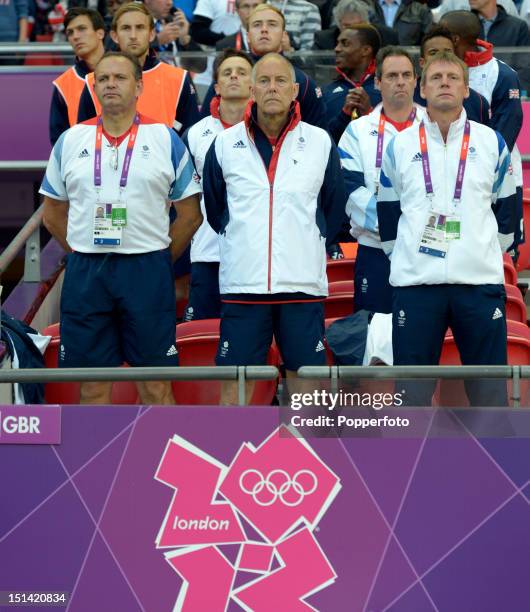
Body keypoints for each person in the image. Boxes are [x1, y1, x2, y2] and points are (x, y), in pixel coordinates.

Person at [40, 51, 202, 405]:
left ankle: (167, 459)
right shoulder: (70, 140)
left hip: (147, 270)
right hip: (87, 273)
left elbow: (191, 214)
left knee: (156, 384)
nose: (110, 84)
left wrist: (159, 258)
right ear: (94, 86)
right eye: (103, 78)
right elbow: (51, 213)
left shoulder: (164, 138)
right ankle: (96, 461)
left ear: (139, 86)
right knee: (93, 385)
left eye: (120, 77)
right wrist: (84, 250)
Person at [203, 52, 345, 403]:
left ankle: (307, 455)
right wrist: (243, 241)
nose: (272, 88)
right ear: (252, 89)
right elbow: (216, 208)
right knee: (237, 383)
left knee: (306, 383)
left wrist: (307, 237)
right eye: (264, 81)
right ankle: (234, 455)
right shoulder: (224, 143)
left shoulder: (319, 142)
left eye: (281, 81)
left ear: (295, 90)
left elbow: (333, 208)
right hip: (243, 284)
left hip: (301, 282)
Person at [377, 51, 516, 405]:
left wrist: (480, 252)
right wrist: (409, 257)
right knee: (411, 396)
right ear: (422, 89)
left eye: (453, 78)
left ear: (467, 89)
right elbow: (388, 213)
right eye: (435, 78)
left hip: (478, 284)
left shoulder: (491, 142)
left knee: (489, 395)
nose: (444, 83)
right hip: (416, 285)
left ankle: (492, 461)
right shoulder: (399, 145)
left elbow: (508, 209)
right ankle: (408, 461)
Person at [339, 46, 425, 314]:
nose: (400, 81)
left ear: (415, 81)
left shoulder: (434, 126)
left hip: (425, 251)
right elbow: (350, 189)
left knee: (423, 339)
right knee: (375, 339)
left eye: (406, 75)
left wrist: (415, 229)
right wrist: (396, 225)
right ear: (377, 83)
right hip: (374, 250)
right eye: (391, 75)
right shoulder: (357, 131)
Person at [440, 11, 524, 255]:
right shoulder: (440, 74)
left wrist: (473, 171)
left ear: (454, 39)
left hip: (498, 180)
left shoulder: (503, 75)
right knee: (451, 252)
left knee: (501, 256)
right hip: (447, 180)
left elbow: (504, 136)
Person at [183, 48, 253, 321]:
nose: (234, 76)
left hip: (254, 256)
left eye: (242, 72)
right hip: (207, 253)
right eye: (227, 72)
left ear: (253, 83)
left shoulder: (269, 130)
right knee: (203, 337)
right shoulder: (196, 133)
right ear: (216, 86)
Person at [77, 2, 200, 136]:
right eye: (126, 28)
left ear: (152, 34)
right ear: (114, 36)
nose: (133, 35)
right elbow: (83, 138)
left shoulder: (179, 79)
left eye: (140, 27)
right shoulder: (93, 81)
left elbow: (192, 139)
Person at [200, 5, 327, 129]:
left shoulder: (302, 81)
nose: (264, 29)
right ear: (248, 36)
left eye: (272, 24)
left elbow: (318, 134)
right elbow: (205, 126)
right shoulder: (228, 75)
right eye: (257, 25)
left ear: (284, 35)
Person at [49, 8, 105, 145]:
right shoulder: (63, 84)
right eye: (70, 32)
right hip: (82, 163)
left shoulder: (127, 71)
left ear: (100, 33)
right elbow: (58, 141)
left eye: (82, 29)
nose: (75, 36)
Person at [417, 26, 490, 125]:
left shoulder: (477, 102)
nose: (440, 57)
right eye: (433, 53)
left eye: (447, 52)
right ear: (422, 62)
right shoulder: (408, 95)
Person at [323, 25, 382, 144]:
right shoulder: (326, 92)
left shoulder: (386, 89)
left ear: (365, 50)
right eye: (337, 43)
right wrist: (344, 115)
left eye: (345, 44)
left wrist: (369, 113)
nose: (337, 49)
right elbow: (322, 143)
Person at [145, 0, 206, 73]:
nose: (170, 3)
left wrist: (185, 40)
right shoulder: (133, 24)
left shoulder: (173, 22)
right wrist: (157, 41)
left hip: (176, 80)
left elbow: (200, 67)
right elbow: (131, 57)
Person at [313, 0, 398, 50]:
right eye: (347, 26)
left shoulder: (387, 38)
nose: (353, 30)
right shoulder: (324, 41)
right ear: (339, 24)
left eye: (358, 25)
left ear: (367, 23)